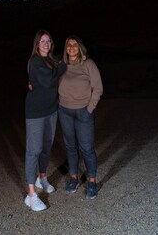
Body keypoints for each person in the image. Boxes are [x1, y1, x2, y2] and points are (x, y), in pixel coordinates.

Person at [24, 30, 66, 211]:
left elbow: (63, 60)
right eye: (42, 41)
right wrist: (62, 67)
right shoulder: (35, 61)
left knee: (46, 146)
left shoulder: (52, 59)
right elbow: (49, 81)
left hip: (51, 110)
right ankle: (31, 195)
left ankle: (42, 177)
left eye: (49, 41)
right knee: (34, 149)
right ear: (37, 43)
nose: (46, 44)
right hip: (35, 112)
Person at [58, 35, 103, 199]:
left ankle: (92, 181)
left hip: (83, 111)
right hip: (65, 111)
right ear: (66, 48)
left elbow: (98, 88)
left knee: (87, 148)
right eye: (68, 45)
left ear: (80, 48)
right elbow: (49, 80)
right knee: (70, 146)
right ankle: (74, 178)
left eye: (74, 45)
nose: (71, 47)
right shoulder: (62, 65)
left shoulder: (88, 64)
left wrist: (89, 109)